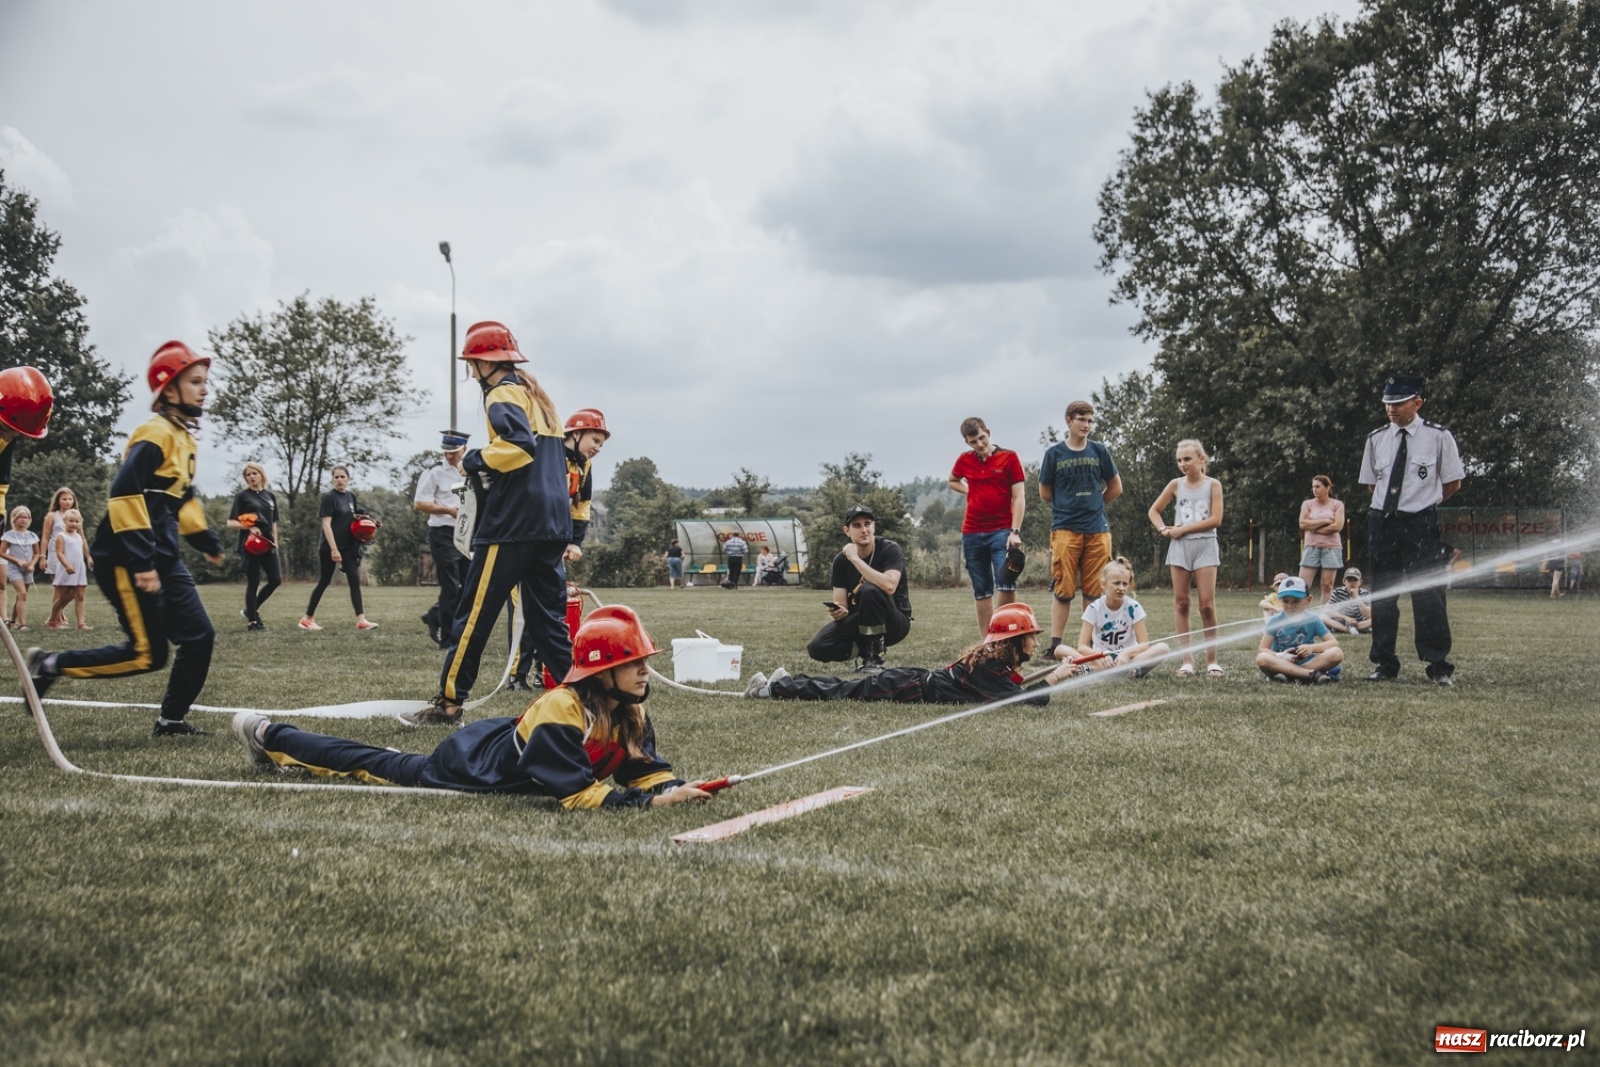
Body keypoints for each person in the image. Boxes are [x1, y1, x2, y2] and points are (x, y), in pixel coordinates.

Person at [234, 607, 714, 809]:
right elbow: (577, 797)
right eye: (632, 662)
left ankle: (271, 736)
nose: (644, 671)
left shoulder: (631, 713)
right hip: (469, 765)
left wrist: (673, 788)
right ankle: (269, 735)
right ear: (600, 671)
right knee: (371, 764)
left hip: (502, 744)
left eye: (643, 662)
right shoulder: (562, 709)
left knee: (375, 758)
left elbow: (643, 773)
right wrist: (651, 803)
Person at [26, 341, 224, 736]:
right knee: (147, 655)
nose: (205, 389)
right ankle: (48, 664)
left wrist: (205, 540)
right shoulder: (154, 433)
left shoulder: (185, 440)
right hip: (127, 556)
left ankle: (170, 721)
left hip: (164, 557)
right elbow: (124, 493)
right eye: (196, 382)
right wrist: (142, 562)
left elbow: (182, 498)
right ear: (169, 389)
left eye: (206, 382)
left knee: (200, 636)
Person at [403, 320, 573, 727]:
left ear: (480, 362)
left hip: (513, 522)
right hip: (552, 522)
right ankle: (585, 699)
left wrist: (474, 460)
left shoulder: (502, 392)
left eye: (472, 363)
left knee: (474, 614)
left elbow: (517, 445)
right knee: (548, 620)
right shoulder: (537, 396)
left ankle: (448, 705)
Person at [747, 603, 1076, 703]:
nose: (1035, 643)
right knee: (841, 691)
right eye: (1030, 637)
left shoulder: (995, 668)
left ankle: (784, 683)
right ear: (1013, 642)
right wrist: (1057, 676)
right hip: (905, 686)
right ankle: (775, 687)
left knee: (841, 688)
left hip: (911, 680)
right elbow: (1020, 702)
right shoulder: (989, 670)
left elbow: (1012, 689)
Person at [1358, 374, 1464, 684]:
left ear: (1417, 403)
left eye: (1398, 403)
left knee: (1428, 594)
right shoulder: (1376, 438)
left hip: (1420, 521)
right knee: (1383, 595)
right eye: (1387, 403)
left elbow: (1453, 482)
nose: (1391, 409)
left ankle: (1438, 666)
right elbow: (1371, 484)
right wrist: (1391, 510)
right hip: (1383, 522)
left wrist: (1422, 503)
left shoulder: (1438, 436)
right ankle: (1384, 664)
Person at [505, 408, 609, 692]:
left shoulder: (583, 465)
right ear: (575, 434)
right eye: (595, 440)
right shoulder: (545, 454)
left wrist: (574, 541)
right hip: (523, 538)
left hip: (552, 543)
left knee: (553, 610)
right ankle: (517, 676)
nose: (598, 448)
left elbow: (581, 506)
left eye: (601, 443)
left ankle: (547, 672)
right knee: (523, 609)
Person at [1040, 400, 1121, 651]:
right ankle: (1055, 645)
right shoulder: (1054, 454)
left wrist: (1096, 504)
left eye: (1090, 421)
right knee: (1063, 588)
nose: (1086, 425)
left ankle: (1092, 645)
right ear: (1069, 421)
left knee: (1094, 590)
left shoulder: (1099, 451)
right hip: (1065, 529)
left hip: (1098, 530)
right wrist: (1069, 505)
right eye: (1082, 420)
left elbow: (1115, 487)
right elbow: (1044, 493)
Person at [1146, 438, 1224, 677]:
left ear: (1201, 459)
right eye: (1179, 460)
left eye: (1187, 459)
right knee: (1181, 604)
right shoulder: (1175, 484)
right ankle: (1187, 660)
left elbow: (1215, 520)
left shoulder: (1213, 485)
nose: (1183, 464)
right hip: (1179, 548)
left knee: (1206, 605)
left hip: (1205, 546)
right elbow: (1154, 511)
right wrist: (1164, 530)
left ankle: (1212, 660)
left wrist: (1183, 529)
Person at [808, 504, 912, 673]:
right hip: (861, 618)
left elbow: (889, 585)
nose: (864, 529)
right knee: (818, 647)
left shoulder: (889, 549)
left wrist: (855, 559)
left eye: (867, 524)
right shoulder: (841, 561)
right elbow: (841, 602)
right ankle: (864, 649)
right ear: (847, 531)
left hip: (894, 621)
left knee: (869, 590)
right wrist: (839, 611)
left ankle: (874, 658)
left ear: (874, 526)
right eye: (857, 525)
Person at [947, 416, 1026, 634]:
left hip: (1002, 530)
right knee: (981, 589)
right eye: (974, 441)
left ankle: (1007, 635)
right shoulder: (965, 460)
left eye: (982, 438)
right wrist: (969, 490)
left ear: (988, 432)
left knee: (1006, 580)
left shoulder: (1009, 458)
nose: (980, 444)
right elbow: (952, 480)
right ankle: (987, 642)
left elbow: (1019, 497)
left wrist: (1015, 531)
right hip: (972, 532)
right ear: (967, 443)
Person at [300, 465, 377, 632]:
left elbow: (351, 521)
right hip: (330, 547)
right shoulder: (329, 497)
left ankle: (361, 620)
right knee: (324, 581)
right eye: (336, 477)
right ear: (333, 479)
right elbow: (326, 525)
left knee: (354, 580)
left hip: (348, 546)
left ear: (348, 478)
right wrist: (334, 550)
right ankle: (307, 619)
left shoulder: (351, 496)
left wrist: (367, 522)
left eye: (343, 477)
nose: (340, 480)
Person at [414, 430, 471, 646]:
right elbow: (420, 503)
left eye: (454, 452)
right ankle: (448, 638)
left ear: (464, 450)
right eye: (446, 452)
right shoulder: (434, 473)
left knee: (468, 586)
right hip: (442, 533)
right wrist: (447, 510)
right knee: (451, 586)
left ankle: (435, 616)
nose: (449, 456)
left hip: (465, 533)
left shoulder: (470, 471)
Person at [1070, 557, 1171, 677]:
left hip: (1128, 659)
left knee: (1163, 648)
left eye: (1125, 583)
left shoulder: (1134, 607)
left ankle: (1097, 671)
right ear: (1103, 584)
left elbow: (1144, 643)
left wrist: (1127, 654)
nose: (1121, 588)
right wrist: (1101, 655)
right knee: (1060, 650)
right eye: (1116, 583)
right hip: (1101, 659)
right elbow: (1082, 646)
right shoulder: (1094, 608)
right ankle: (1123, 672)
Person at [1256, 576, 1344, 683]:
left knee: (1336, 653)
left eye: (1296, 601)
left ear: (1308, 600)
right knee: (1262, 658)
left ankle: (1290, 675)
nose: (1290, 606)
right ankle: (1311, 674)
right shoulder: (1275, 621)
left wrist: (1311, 648)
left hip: (1307, 663)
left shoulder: (1313, 620)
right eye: (1285, 601)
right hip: (1281, 663)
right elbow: (1263, 649)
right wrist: (1280, 656)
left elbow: (1333, 643)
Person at [228, 462, 281, 631]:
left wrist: (275, 543)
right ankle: (253, 622)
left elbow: (273, 522)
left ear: (261, 475)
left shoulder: (270, 496)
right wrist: (249, 526)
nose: (251, 477)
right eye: (248, 475)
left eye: (254, 473)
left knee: (275, 580)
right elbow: (230, 522)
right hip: (250, 544)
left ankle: (250, 610)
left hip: (267, 544)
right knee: (254, 582)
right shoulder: (242, 496)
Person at [0, 366, 55, 523]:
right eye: (1, 429)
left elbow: (0, 488)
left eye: (15, 434)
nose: (6, 437)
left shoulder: (7, 434)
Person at [1297, 475, 1346, 602]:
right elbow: (1303, 524)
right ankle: (1298, 614)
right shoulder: (1307, 504)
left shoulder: (1337, 505)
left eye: (1318, 486)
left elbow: (1337, 526)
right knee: (1303, 585)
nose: (1315, 489)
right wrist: (1325, 521)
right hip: (1311, 547)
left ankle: (1324, 616)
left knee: (1327, 585)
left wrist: (1313, 527)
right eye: (1313, 487)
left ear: (1327, 488)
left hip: (1331, 548)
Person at [49, 507, 92, 629]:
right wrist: (67, 565)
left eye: (77, 521)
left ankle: (81, 623)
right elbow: (60, 553)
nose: (74, 524)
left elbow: (82, 551)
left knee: (80, 596)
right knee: (63, 597)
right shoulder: (61, 536)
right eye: (71, 521)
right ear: (65, 521)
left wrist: (88, 558)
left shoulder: (79, 537)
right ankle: (52, 620)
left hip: (79, 569)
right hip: (66, 570)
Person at [40, 486, 77, 622]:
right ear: (58, 500)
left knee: (73, 589)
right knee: (59, 587)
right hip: (56, 553)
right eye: (64, 499)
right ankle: (55, 620)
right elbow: (45, 537)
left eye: (70, 499)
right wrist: (42, 557)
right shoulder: (52, 516)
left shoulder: (75, 515)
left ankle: (57, 614)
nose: (67, 502)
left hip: (72, 554)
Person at [4, 505, 41, 631]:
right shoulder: (9, 535)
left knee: (21, 596)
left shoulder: (32, 536)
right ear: (14, 518)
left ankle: (12, 621)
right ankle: (23, 624)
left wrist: (32, 564)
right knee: (22, 593)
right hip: (14, 569)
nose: (24, 519)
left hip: (28, 570)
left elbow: (37, 553)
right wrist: (18, 561)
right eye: (20, 517)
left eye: (26, 517)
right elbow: (2, 552)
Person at [1324, 567, 1371, 634]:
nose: (1352, 583)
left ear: (1360, 582)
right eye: (1349, 580)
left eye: (1355, 580)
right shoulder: (1338, 592)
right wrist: (1345, 617)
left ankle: (1347, 629)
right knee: (1323, 617)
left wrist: (1357, 598)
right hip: (1342, 621)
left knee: (1374, 619)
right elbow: (1327, 610)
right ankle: (1351, 630)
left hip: (1360, 621)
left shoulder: (1365, 593)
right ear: (1344, 581)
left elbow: (1368, 615)